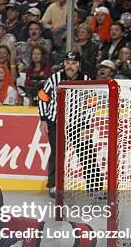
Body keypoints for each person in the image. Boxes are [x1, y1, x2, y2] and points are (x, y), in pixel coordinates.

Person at [38, 51, 93, 197]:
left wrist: (86, 126)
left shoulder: (86, 80)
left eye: (74, 63)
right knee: (56, 154)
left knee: (87, 152)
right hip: (56, 122)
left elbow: (91, 103)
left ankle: (95, 187)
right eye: (68, 63)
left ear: (79, 65)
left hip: (78, 124)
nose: (70, 66)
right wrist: (43, 119)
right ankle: (54, 185)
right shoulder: (54, 78)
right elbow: (43, 97)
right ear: (64, 63)